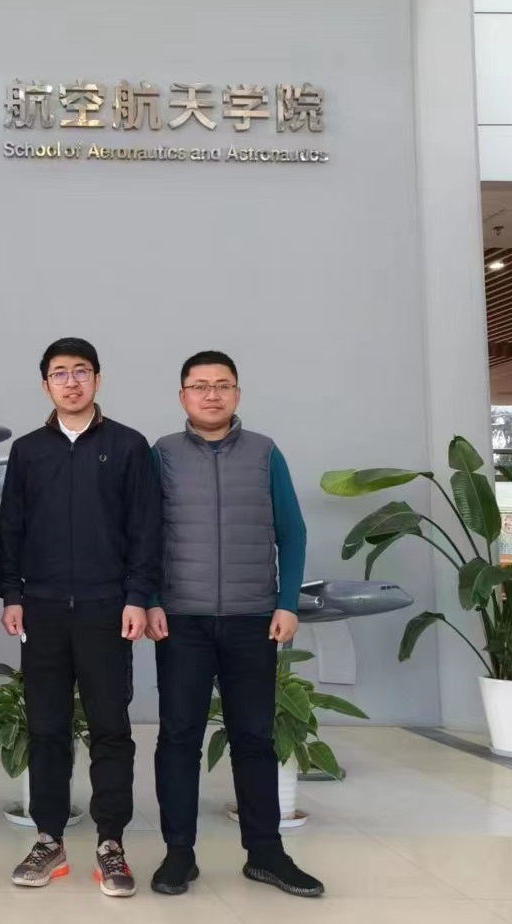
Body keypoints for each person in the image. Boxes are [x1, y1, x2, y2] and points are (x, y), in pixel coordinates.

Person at [147, 351, 322, 898]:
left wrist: (287, 603)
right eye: (200, 385)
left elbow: (292, 532)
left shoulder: (266, 452)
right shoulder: (162, 454)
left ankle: (266, 854)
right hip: (182, 620)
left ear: (237, 394)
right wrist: (151, 600)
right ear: (183, 396)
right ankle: (179, 854)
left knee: (254, 738)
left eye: (223, 385)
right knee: (179, 737)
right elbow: (145, 535)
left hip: (252, 619)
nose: (212, 394)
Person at [0, 337, 161, 897]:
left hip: (106, 610)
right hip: (42, 611)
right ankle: (49, 840)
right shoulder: (28, 451)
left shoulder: (128, 445)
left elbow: (145, 530)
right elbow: (11, 529)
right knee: (46, 728)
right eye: (60, 373)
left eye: (81, 371)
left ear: (98, 379)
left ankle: (111, 842)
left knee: (110, 728)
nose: (71, 382)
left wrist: (137, 597)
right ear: (45, 384)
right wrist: (12, 594)